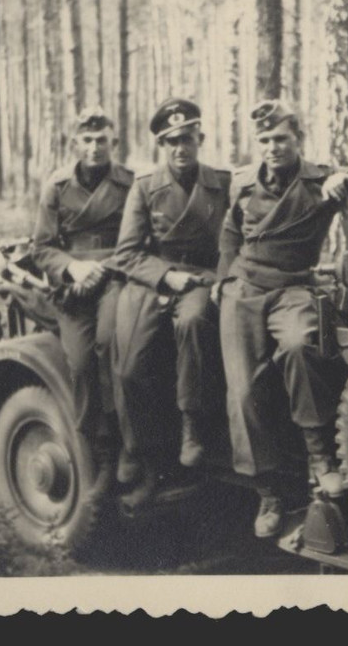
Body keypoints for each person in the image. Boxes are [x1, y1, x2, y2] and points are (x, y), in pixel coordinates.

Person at [215, 100, 348, 538]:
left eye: (280, 138)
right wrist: (223, 281)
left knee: (303, 346)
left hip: (292, 286)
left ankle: (321, 458)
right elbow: (230, 233)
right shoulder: (243, 182)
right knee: (242, 392)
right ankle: (269, 494)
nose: (272, 147)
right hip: (243, 291)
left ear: (297, 139)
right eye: (264, 140)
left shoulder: (321, 181)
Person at [111, 99, 231, 507]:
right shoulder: (145, 187)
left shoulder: (222, 184)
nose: (181, 148)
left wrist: (216, 279)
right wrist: (166, 275)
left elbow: (235, 242)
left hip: (201, 277)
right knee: (129, 365)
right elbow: (126, 254)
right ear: (162, 145)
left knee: (195, 322)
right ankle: (135, 449)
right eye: (172, 141)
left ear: (201, 138)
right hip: (154, 278)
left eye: (188, 139)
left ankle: (192, 425)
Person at [31, 109, 133, 442]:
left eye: (101, 140)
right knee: (80, 361)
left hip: (116, 278)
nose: (94, 147)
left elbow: (140, 240)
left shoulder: (130, 185)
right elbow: (42, 248)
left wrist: (103, 268)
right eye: (87, 140)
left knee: (113, 345)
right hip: (73, 287)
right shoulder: (57, 187)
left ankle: (131, 445)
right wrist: (73, 268)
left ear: (114, 142)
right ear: (75, 143)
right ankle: (98, 450)